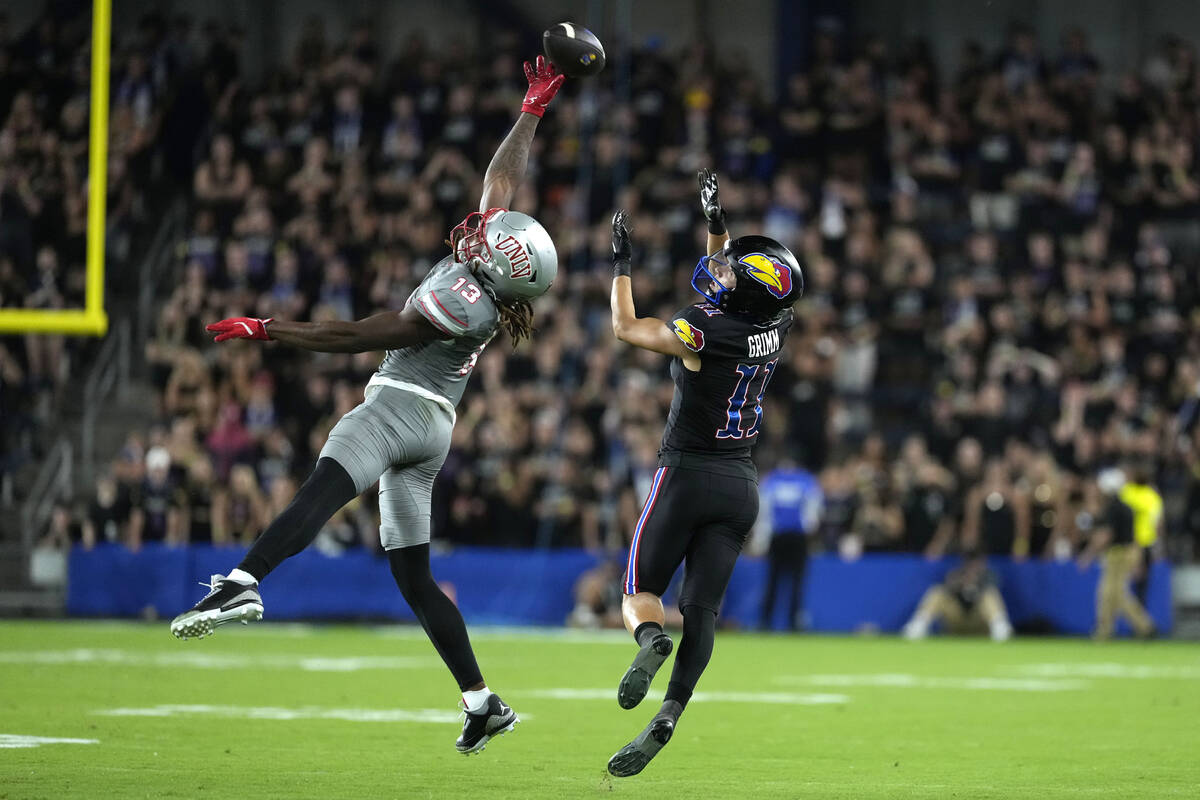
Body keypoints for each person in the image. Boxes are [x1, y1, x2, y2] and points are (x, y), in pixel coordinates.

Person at [168, 55, 566, 755]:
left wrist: (269, 330)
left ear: (496, 267)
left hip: (401, 405)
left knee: (329, 477)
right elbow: (502, 181)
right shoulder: (493, 284)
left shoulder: (464, 302)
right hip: (434, 426)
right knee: (414, 578)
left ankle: (242, 582)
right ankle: (482, 702)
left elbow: (354, 337)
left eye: (487, 241)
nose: (476, 230)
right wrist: (531, 110)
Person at [605, 169, 804, 777]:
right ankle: (669, 713)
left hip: (686, 472)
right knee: (705, 612)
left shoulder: (705, 330)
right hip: (740, 485)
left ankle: (648, 642)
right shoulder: (774, 324)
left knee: (639, 594)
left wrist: (621, 263)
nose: (719, 271)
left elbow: (626, 327)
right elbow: (739, 282)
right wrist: (718, 225)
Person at [1077, 468, 1156, 639]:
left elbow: (1106, 535)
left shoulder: (1113, 507)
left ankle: (1143, 626)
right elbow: (1134, 535)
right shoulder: (1126, 506)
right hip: (1127, 551)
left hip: (1118, 554)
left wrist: (1088, 555)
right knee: (1108, 593)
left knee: (1114, 593)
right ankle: (1106, 629)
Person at [756, 458, 823, 631]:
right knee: (795, 582)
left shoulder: (771, 480)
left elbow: (763, 510)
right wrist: (809, 529)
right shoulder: (806, 480)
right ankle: (793, 622)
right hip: (797, 537)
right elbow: (814, 509)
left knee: (773, 581)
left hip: (779, 536)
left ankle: (766, 621)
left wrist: (761, 539)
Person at [901, 551, 1013, 641]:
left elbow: (993, 588)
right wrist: (961, 584)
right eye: (971, 563)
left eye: (976, 563)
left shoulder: (989, 576)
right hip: (957, 620)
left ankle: (1000, 628)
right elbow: (947, 589)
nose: (973, 566)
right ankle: (919, 625)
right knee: (937, 592)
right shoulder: (956, 574)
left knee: (990, 595)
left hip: (979, 620)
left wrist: (975, 584)